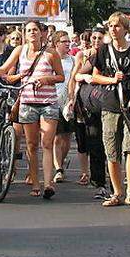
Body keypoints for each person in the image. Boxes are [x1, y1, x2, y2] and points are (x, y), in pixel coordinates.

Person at [0, 19, 65, 199]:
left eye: (35, 30)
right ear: (24, 33)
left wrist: (46, 79)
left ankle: (48, 184)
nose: (32, 33)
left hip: (48, 102)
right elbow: (5, 69)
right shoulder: (20, 51)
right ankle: (35, 183)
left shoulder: (51, 53)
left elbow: (60, 77)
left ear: (41, 32)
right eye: (28, 30)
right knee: (31, 145)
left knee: (46, 143)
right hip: (27, 101)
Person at [88, 11, 130, 209]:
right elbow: (94, 76)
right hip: (110, 105)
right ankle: (117, 192)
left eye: (117, 26)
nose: (113, 29)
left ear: (125, 29)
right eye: (111, 26)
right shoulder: (104, 50)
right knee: (111, 150)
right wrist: (112, 79)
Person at [68, 27, 107, 192]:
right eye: (94, 38)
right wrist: (72, 98)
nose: (97, 41)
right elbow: (75, 76)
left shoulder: (109, 53)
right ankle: (95, 178)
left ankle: (111, 177)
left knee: (111, 142)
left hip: (111, 100)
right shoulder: (87, 55)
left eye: (100, 38)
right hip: (89, 102)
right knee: (90, 140)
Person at [51, 30, 76, 183]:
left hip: (68, 101)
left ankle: (61, 161)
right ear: (56, 44)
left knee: (67, 137)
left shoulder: (72, 60)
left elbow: (74, 80)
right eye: (64, 41)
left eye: (68, 41)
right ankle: (58, 168)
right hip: (52, 100)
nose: (67, 44)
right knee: (56, 137)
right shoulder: (50, 59)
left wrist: (72, 98)